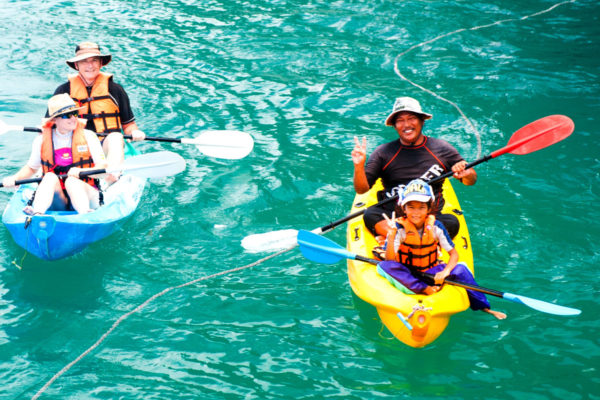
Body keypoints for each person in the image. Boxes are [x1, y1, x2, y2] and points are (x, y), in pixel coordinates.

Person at [378, 179, 506, 320]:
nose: (416, 212)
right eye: (411, 207)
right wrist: (390, 237)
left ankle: (484, 308)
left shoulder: (436, 226)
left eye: (421, 207)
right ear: (404, 208)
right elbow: (390, 260)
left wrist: (445, 271)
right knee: (384, 266)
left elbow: (454, 255)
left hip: (431, 272)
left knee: (461, 270)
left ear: (429, 208)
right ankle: (424, 289)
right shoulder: (399, 228)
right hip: (407, 272)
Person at [351, 96, 476, 240]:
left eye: (411, 118)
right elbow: (362, 189)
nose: (406, 125)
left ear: (422, 121)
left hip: (429, 216)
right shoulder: (383, 152)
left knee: (452, 222)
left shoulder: (442, 149)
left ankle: (399, 239)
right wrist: (359, 166)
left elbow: (470, 180)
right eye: (400, 120)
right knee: (370, 214)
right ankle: (418, 239)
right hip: (394, 215)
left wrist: (466, 173)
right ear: (395, 126)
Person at [49, 41, 145, 182]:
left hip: (104, 144)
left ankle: (112, 176)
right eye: (84, 61)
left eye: (94, 60)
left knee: (116, 137)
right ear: (76, 65)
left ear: (101, 63)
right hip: (74, 146)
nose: (90, 65)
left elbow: (129, 125)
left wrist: (134, 133)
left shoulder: (116, 90)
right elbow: (49, 125)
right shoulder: (63, 91)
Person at [2, 94, 107, 214]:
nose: (73, 118)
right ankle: (37, 213)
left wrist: (80, 172)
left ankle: (84, 214)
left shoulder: (88, 136)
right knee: (49, 177)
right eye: (67, 115)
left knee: (72, 181)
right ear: (54, 119)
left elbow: (103, 168)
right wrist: (14, 179)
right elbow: (31, 168)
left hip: (88, 196)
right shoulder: (41, 140)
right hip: (59, 199)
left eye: (75, 114)